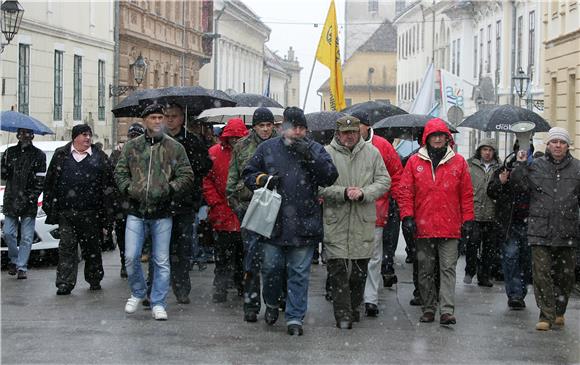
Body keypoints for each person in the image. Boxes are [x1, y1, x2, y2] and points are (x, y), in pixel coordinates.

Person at [243, 107, 338, 336]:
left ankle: (295, 318)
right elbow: (248, 173)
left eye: (302, 128)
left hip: (304, 222)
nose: (298, 132)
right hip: (272, 222)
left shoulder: (315, 149)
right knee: (271, 268)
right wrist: (263, 179)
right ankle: (272, 303)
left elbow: (330, 176)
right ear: (283, 127)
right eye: (294, 127)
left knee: (299, 273)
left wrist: (311, 157)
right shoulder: (267, 148)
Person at [115, 104, 194, 321]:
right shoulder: (132, 147)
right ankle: (138, 291)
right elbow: (120, 171)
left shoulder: (174, 147)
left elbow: (186, 175)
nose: (158, 121)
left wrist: (169, 189)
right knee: (131, 257)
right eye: (154, 117)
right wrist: (129, 188)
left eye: (161, 117)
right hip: (136, 210)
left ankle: (158, 301)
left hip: (162, 212)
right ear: (145, 120)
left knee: (161, 260)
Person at [398, 118, 474, 325]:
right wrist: (407, 216)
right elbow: (405, 192)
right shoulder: (415, 162)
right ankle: (429, 307)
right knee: (425, 270)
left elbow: (466, 194)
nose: (438, 139)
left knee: (448, 268)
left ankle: (447, 310)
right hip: (423, 226)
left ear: (447, 138)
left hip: (450, 227)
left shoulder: (458, 162)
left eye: (441, 135)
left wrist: (468, 220)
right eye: (434, 136)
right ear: (427, 138)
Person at [320, 116, 390, 329]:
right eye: (345, 133)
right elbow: (318, 186)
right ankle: (343, 315)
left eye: (353, 132)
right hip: (335, 220)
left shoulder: (372, 153)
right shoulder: (326, 154)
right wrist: (342, 193)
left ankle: (352, 307)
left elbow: (384, 180)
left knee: (359, 272)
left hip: (362, 219)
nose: (350, 136)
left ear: (359, 132)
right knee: (338, 270)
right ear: (337, 134)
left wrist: (364, 192)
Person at [510, 127, 580, 331]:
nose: (558, 145)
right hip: (539, 229)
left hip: (567, 230)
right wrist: (520, 164)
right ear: (547, 145)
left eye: (562, 142)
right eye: (554, 142)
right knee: (541, 274)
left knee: (565, 276)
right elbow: (519, 185)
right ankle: (546, 314)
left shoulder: (577, 169)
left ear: (568, 146)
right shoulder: (536, 165)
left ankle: (559, 310)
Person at [43, 124, 116, 295]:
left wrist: (108, 214)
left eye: (89, 135)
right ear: (75, 137)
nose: (87, 138)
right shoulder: (61, 155)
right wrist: (51, 206)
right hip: (66, 212)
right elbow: (50, 182)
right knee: (67, 247)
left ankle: (94, 278)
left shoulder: (100, 157)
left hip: (91, 213)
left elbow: (109, 187)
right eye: (84, 135)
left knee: (92, 248)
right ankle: (65, 282)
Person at [226, 107, 278, 322]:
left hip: (278, 210)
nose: (265, 129)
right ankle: (251, 303)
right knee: (251, 260)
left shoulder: (283, 145)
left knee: (275, 262)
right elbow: (232, 181)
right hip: (250, 208)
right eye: (261, 125)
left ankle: (274, 301)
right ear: (254, 127)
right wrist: (238, 205)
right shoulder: (242, 146)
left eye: (268, 125)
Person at [349, 111, 402, 318]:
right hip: (349, 210)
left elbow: (396, 174)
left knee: (373, 257)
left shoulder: (383, 146)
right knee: (351, 256)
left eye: (357, 127)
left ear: (367, 126)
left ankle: (370, 298)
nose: (353, 131)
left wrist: (395, 200)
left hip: (375, 210)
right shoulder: (344, 144)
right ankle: (353, 296)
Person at [165, 103, 212, 304]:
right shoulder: (157, 141)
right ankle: (155, 288)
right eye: (166, 116)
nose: (170, 119)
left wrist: (193, 197)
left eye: (174, 116)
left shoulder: (192, 142)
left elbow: (203, 168)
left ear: (182, 118)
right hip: (161, 203)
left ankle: (181, 288)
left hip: (184, 203)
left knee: (183, 249)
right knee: (159, 249)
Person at [203, 118, 248, 303]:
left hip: (243, 210)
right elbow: (207, 180)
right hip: (222, 211)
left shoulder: (251, 153)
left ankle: (241, 285)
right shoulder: (214, 153)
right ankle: (221, 286)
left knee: (242, 253)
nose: (235, 141)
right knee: (222, 254)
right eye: (232, 138)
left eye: (238, 138)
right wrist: (215, 202)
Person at [1, 128, 46, 279]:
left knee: (27, 237)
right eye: (22, 133)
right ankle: (14, 259)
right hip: (11, 198)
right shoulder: (9, 152)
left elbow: (40, 181)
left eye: (28, 133)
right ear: (17, 135)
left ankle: (22, 266)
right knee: (8, 233)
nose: (25, 136)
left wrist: (31, 197)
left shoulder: (39, 155)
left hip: (28, 201)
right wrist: (4, 166)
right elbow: (3, 175)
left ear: (32, 135)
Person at [487, 157, 531, 310]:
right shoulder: (504, 169)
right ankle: (515, 294)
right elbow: (491, 192)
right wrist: (501, 181)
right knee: (511, 257)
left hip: (530, 223)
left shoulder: (534, 169)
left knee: (526, 259)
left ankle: (520, 291)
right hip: (509, 224)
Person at [109, 122, 146, 278]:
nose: (134, 139)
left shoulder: (147, 153)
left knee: (140, 235)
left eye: (137, 136)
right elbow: (112, 176)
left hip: (140, 202)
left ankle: (134, 261)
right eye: (131, 136)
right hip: (122, 204)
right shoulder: (118, 154)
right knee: (123, 235)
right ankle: (125, 263)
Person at [465, 138, 501, 287]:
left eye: (490, 150)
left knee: (489, 248)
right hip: (474, 212)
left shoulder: (499, 168)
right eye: (485, 149)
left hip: (491, 213)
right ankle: (470, 270)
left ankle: (484, 275)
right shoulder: (469, 165)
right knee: (472, 244)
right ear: (479, 151)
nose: (487, 153)